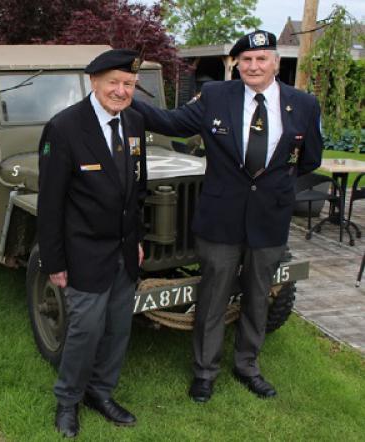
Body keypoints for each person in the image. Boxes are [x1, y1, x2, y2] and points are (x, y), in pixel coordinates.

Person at [132, 30, 323, 402]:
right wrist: (126, 92)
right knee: (213, 298)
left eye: (261, 59)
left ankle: (247, 365)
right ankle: (205, 372)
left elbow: (309, 159)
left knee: (257, 297)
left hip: (269, 220)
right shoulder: (217, 96)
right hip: (220, 219)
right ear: (237, 64)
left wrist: (274, 189)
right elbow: (171, 123)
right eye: (245, 60)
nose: (253, 66)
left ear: (275, 63)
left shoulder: (303, 104)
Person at [38, 49, 147, 438]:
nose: (121, 91)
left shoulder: (134, 123)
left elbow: (137, 189)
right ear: (94, 82)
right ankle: (67, 401)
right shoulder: (65, 127)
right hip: (83, 252)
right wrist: (54, 261)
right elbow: (49, 203)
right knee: (85, 331)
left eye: (129, 84)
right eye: (114, 83)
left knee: (119, 328)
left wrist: (135, 240)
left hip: (123, 251)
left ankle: (101, 393)